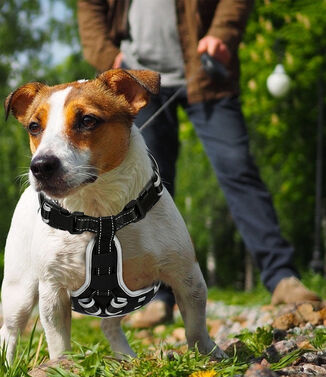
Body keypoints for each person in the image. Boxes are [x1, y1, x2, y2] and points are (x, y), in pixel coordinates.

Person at [77, 0, 321, 326]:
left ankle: (282, 278)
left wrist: (221, 33)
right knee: (146, 189)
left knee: (237, 169)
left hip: (206, 73)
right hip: (136, 82)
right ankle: (156, 296)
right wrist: (110, 58)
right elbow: (90, 8)